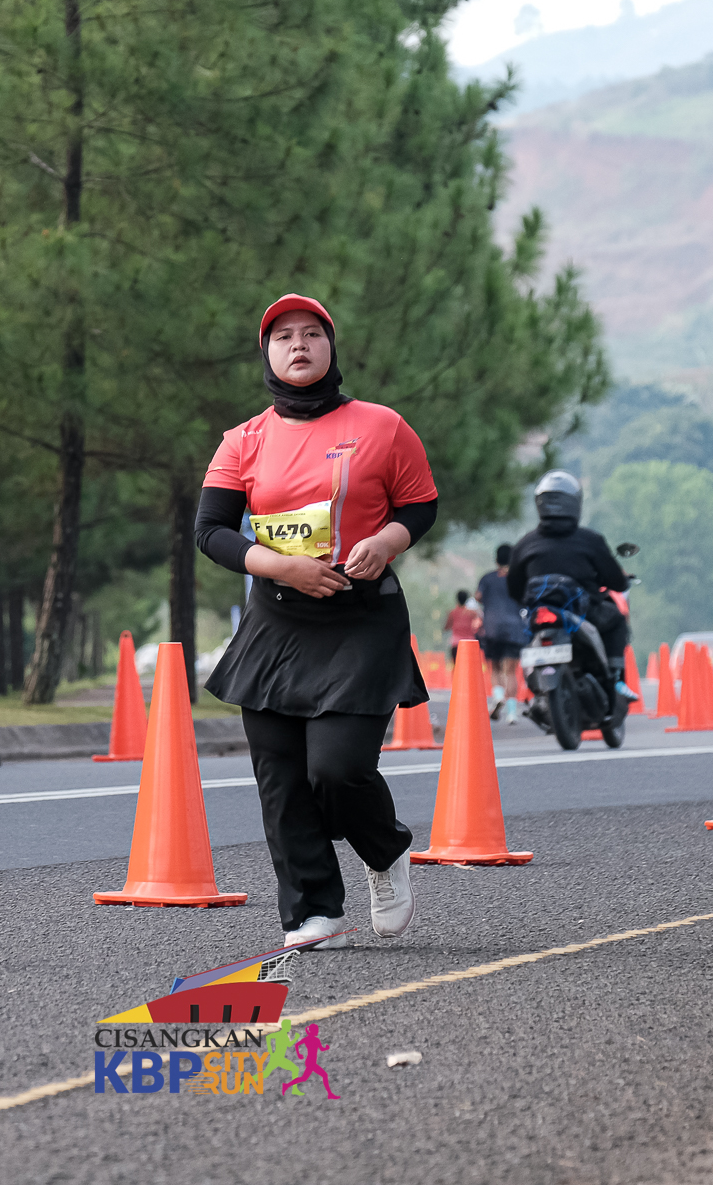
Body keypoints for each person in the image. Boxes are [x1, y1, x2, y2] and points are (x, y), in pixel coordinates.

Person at [197, 292, 438, 949]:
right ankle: (313, 910)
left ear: (331, 347)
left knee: (336, 769)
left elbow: (419, 505)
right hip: (277, 620)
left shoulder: (383, 426)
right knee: (280, 776)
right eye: (283, 337)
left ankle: (386, 853)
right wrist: (281, 568)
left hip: (362, 616)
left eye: (311, 333)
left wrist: (387, 541)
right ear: (267, 355)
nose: (298, 345)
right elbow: (211, 530)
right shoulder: (243, 440)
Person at [505, 469, 639, 704]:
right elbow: (615, 580)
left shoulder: (525, 543)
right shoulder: (590, 540)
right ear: (575, 502)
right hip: (585, 613)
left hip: (540, 616)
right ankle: (617, 681)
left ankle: (535, 690)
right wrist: (618, 580)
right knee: (617, 620)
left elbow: (514, 588)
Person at [475, 545, 527, 721]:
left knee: (495, 667)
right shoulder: (519, 579)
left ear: (496, 560)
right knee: (510, 672)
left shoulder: (487, 578)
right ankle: (511, 713)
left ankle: (498, 697)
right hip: (515, 629)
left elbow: (478, 597)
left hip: (492, 629)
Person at [443, 590, 481, 660]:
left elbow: (446, 627)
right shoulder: (472, 613)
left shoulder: (452, 613)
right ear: (466, 599)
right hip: (469, 643)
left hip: (456, 643)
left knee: (457, 664)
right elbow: (478, 624)